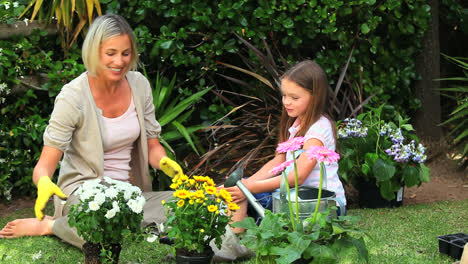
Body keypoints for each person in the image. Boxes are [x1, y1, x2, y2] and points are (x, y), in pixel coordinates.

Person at [0, 14, 182, 248]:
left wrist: (164, 162)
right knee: (100, 224)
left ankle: (121, 224)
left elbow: (152, 145)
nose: (119, 61)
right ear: (94, 52)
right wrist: (44, 182)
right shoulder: (72, 96)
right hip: (84, 195)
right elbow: (45, 164)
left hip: (131, 196)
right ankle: (51, 225)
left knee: (196, 203)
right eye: (111, 53)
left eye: (125, 53)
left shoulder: (139, 85)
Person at [224, 60, 347, 231]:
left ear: (315, 97)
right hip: (293, 198)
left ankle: (234, 241)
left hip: (323, 206)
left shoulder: (318, 130)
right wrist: (244, 183)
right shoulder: (296, 123)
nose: (286, 102)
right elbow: (279, 160)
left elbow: (297, 177)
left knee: (241, 194)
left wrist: (247, 188)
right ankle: (234, 231)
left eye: (294, 97)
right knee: (234, 189)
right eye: (284, 95)